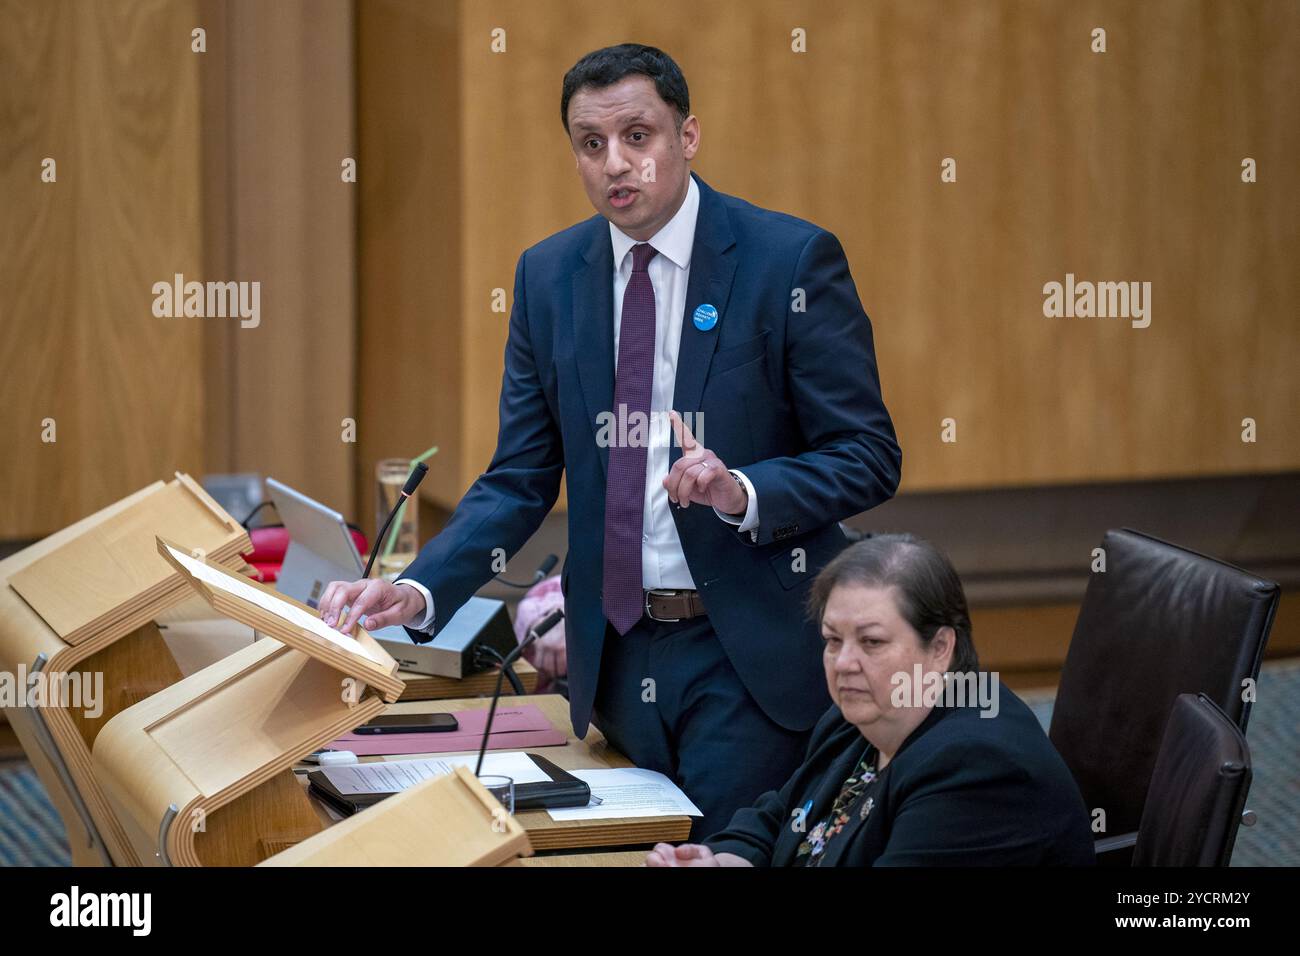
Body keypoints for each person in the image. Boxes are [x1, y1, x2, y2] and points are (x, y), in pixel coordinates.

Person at [318, 43, 901, 837]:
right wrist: (418, 591)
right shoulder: (549, 277)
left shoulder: (787, 261)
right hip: (619, 659)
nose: (616, 164)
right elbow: (521, 475)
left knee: (725, 855)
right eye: (592, 145)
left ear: (687, 137)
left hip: (746, 659)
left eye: (639, 136)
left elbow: (868, 454)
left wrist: (745, 491)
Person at [647, 534, 1096, 866]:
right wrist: (718, 862)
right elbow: (778, 818)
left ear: (940, 648)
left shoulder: (978, 767)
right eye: (832, 640)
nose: (844, 663)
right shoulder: (860, 716)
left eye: (872, 642)